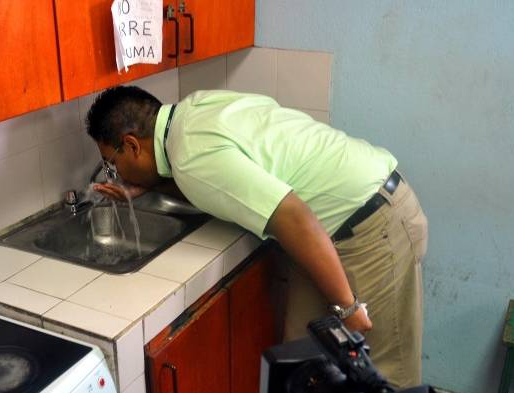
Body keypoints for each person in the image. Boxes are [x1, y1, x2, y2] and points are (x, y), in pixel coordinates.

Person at [86, 86, 428, 389]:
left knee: (378, 377)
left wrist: (347, 306)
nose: (113, 175)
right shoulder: (192, 112)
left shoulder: (191, 156)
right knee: (302, 367)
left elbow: (293, 217)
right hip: (331, 231)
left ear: (131, 145)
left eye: (111, 165)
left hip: (370, 225)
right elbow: (218, 181)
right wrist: (147, 187)